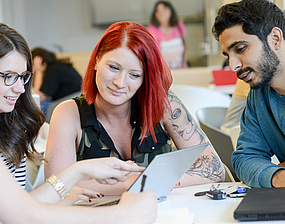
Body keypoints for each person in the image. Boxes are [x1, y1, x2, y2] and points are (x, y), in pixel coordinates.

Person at [0, 18, 158, 224]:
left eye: (23, 77)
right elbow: (19, 218)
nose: (20, 88)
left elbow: (1, 215)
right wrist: (124, 215)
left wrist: (78, 171)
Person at [45, 21, 224, 196]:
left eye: (134, 75)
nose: (120, 83)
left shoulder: (163, 103)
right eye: (114, 67)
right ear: (97, 60)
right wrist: (142, 181)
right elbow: (56, 187)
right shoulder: (68, 113)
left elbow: (214, 169)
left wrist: (137, 182)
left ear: (145, 78)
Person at [0, 22, 101, 203]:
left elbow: (18, 204)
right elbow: (1, 213)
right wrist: (70, 180)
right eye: (8, 76)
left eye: (23, 77)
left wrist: (62, 194)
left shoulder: (14, 128)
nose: (19, 88)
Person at [212, 0, 285, 188]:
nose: (233, 65)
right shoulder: (257, 95)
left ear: (275, 38)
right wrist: (277, 176)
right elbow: (245, 158)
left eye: (241, 49)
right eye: (228, 55)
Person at [31, 47, 82, 113]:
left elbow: (38, 96)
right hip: (75, 99)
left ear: (40, 61)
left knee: (41, 105)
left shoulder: (53, 70)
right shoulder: (58, 66)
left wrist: (38, 70)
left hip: (73, 100)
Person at [147, 0, 188, 69]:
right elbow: (150, 51)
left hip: (180, 68)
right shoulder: (151, 29)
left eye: (164, 10)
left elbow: (185, 43)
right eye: (158, 11)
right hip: (162, 70)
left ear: (170, 11)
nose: (161, 13)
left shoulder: (178, 24)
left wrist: (184, 62)